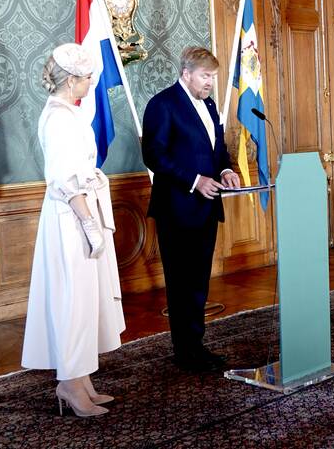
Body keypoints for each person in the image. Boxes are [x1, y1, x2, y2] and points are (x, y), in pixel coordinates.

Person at [22, 43, 125, 418]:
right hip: (70, 218)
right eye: (86, 79)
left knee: (84, 300)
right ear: (70, 81)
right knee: (73, 301)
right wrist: (88, 224)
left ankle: (81, 379)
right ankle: (69, 383)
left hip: (81, 213)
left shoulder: (68, 112)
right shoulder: (59, 118)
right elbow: (65, 180)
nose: (91, 84)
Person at [141, 46, 241, 372]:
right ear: (186, 74)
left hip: (207, 208)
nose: (211, 82)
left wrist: (225, 169)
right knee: (181, 283)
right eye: (205, 76)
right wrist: (195, 180)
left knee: (198, 281)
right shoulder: (162, 104)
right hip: (177, 207)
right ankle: (185, 352)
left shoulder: (210, 105)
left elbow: (217, 149)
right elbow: (153, 156)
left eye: (213, 76)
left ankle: (196, 346)